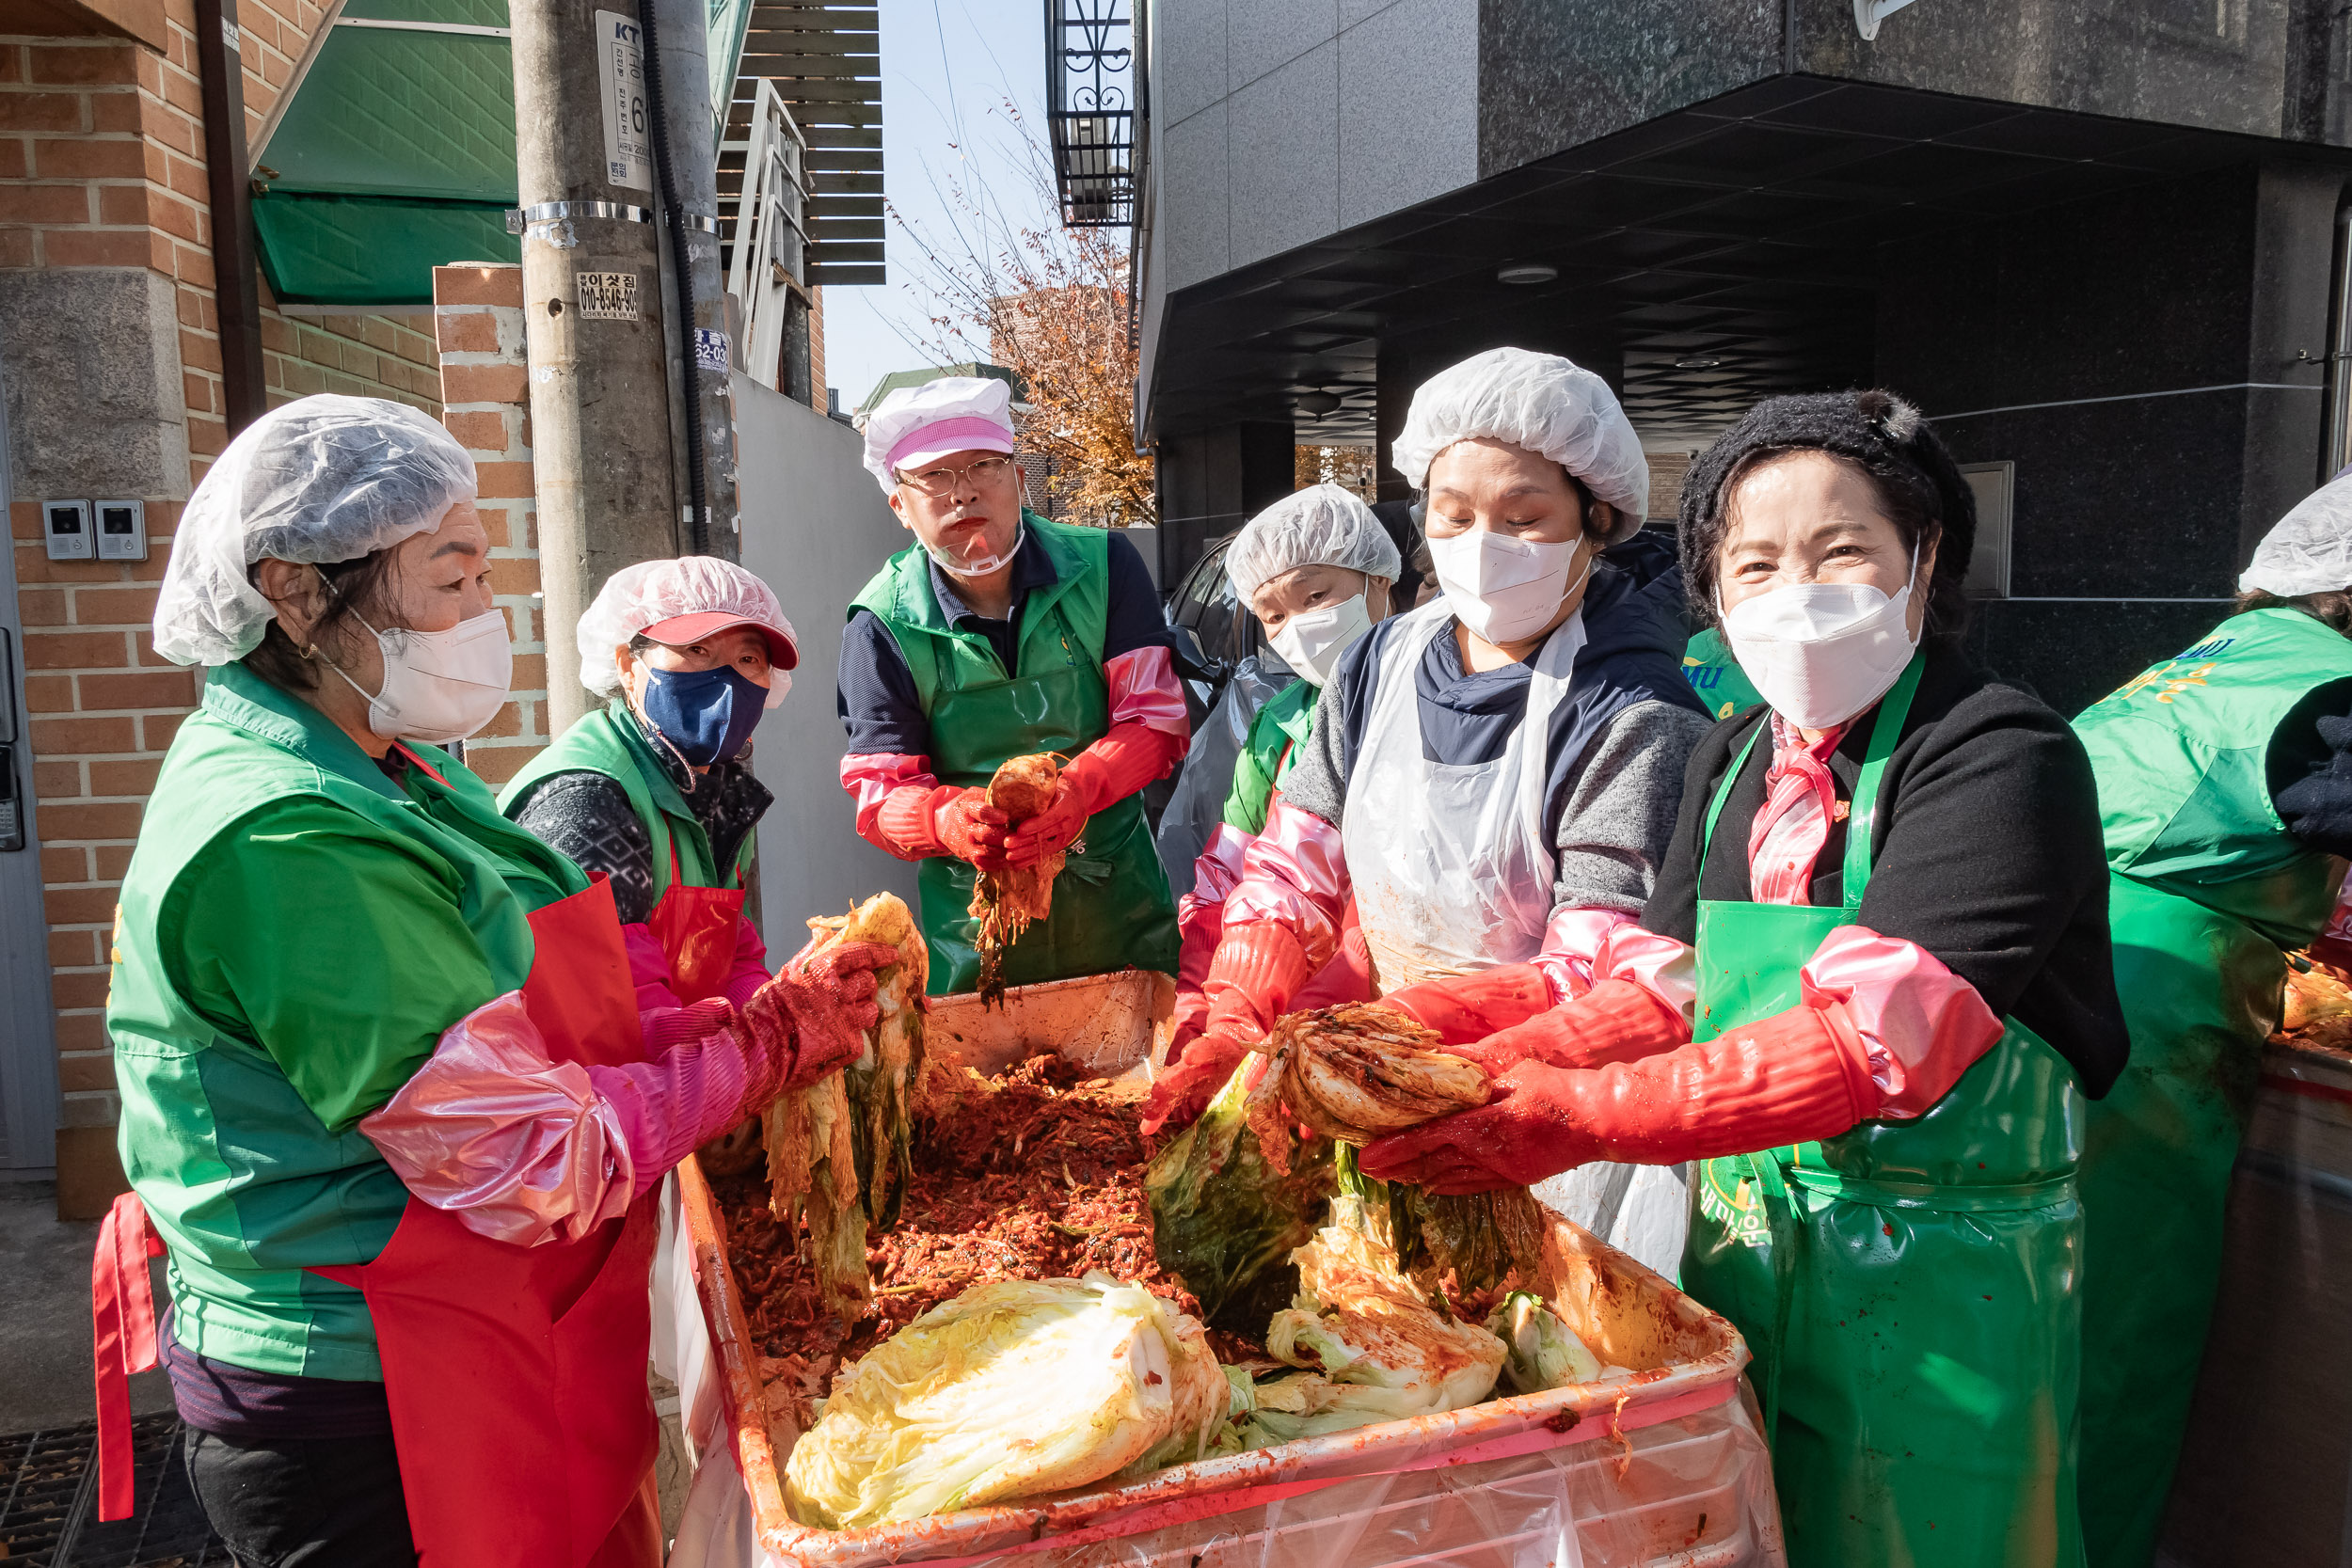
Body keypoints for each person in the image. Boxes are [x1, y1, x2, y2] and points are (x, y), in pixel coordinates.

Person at [99, 396, 893, 1565]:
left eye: (483, 578)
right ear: (297, 590)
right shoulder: (287, 837)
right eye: (450, 579)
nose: (485, 614)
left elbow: (550, 1010)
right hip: (364, 1381)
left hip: (478, 1323)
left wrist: (723, 1022)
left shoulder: (393, 769)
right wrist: (763, 1048)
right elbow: (529, 1158)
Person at [1358, 389, 2129, 1568]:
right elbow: (1661, 989)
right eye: (1754, 564)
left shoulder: (1998, 752)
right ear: (1713, 592)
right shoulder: (1731, 760)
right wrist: (1451, 1063)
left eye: (1844, 550)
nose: (1796, 592)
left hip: (1948, 1285)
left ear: (1924, 560)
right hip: (1748, 1259)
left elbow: (1871, 1037)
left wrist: (1569, 1118)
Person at [1140, 347, 1715, 1275]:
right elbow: (1291, 868)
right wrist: (1239, 1015)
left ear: (1594, 519)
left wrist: (1389, 1039)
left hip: (1548, 1122)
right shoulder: (1380, 663)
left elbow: (1599, 975)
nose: (1480, 542)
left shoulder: (1634, 713)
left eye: (1522, 517)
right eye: (1453, 514)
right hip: (1386, 1092)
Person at [2068, 477, 2352, 1568]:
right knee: (2118, 1337)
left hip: (2038, 982)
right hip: (2143, 1022)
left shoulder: (2200, 666)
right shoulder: (2331, 692)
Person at [837, 374, 1189, 994]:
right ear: (900, 505)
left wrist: (1079, 790)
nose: (964, 492)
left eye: (982, 466)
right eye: (934, 477)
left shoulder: (1107, 566)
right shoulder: (879, 625)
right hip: (974, 947)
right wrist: (945, 819)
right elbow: (878, 793)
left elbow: (1153, 724)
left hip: (1121, 914)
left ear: (1019, 478)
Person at [502, 556, 800, 1018]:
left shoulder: (716, 792)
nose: (726, 680)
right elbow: (616, 1008)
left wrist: (776, 1014)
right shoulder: (588, 802)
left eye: (747, 659)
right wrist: (758, 1048)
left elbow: (732, 956)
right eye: (697, 651)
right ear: (627, 664)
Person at [1170, 483, 1402, 1044]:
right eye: (1273, 616)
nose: (1298, 626)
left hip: (1420, 1002)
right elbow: (1229, 869)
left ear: (1377, 578)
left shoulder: (1435, 703)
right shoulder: (1277, 728)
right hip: (1289, 1002)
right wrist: (1201, 1005)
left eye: (1316, 596)